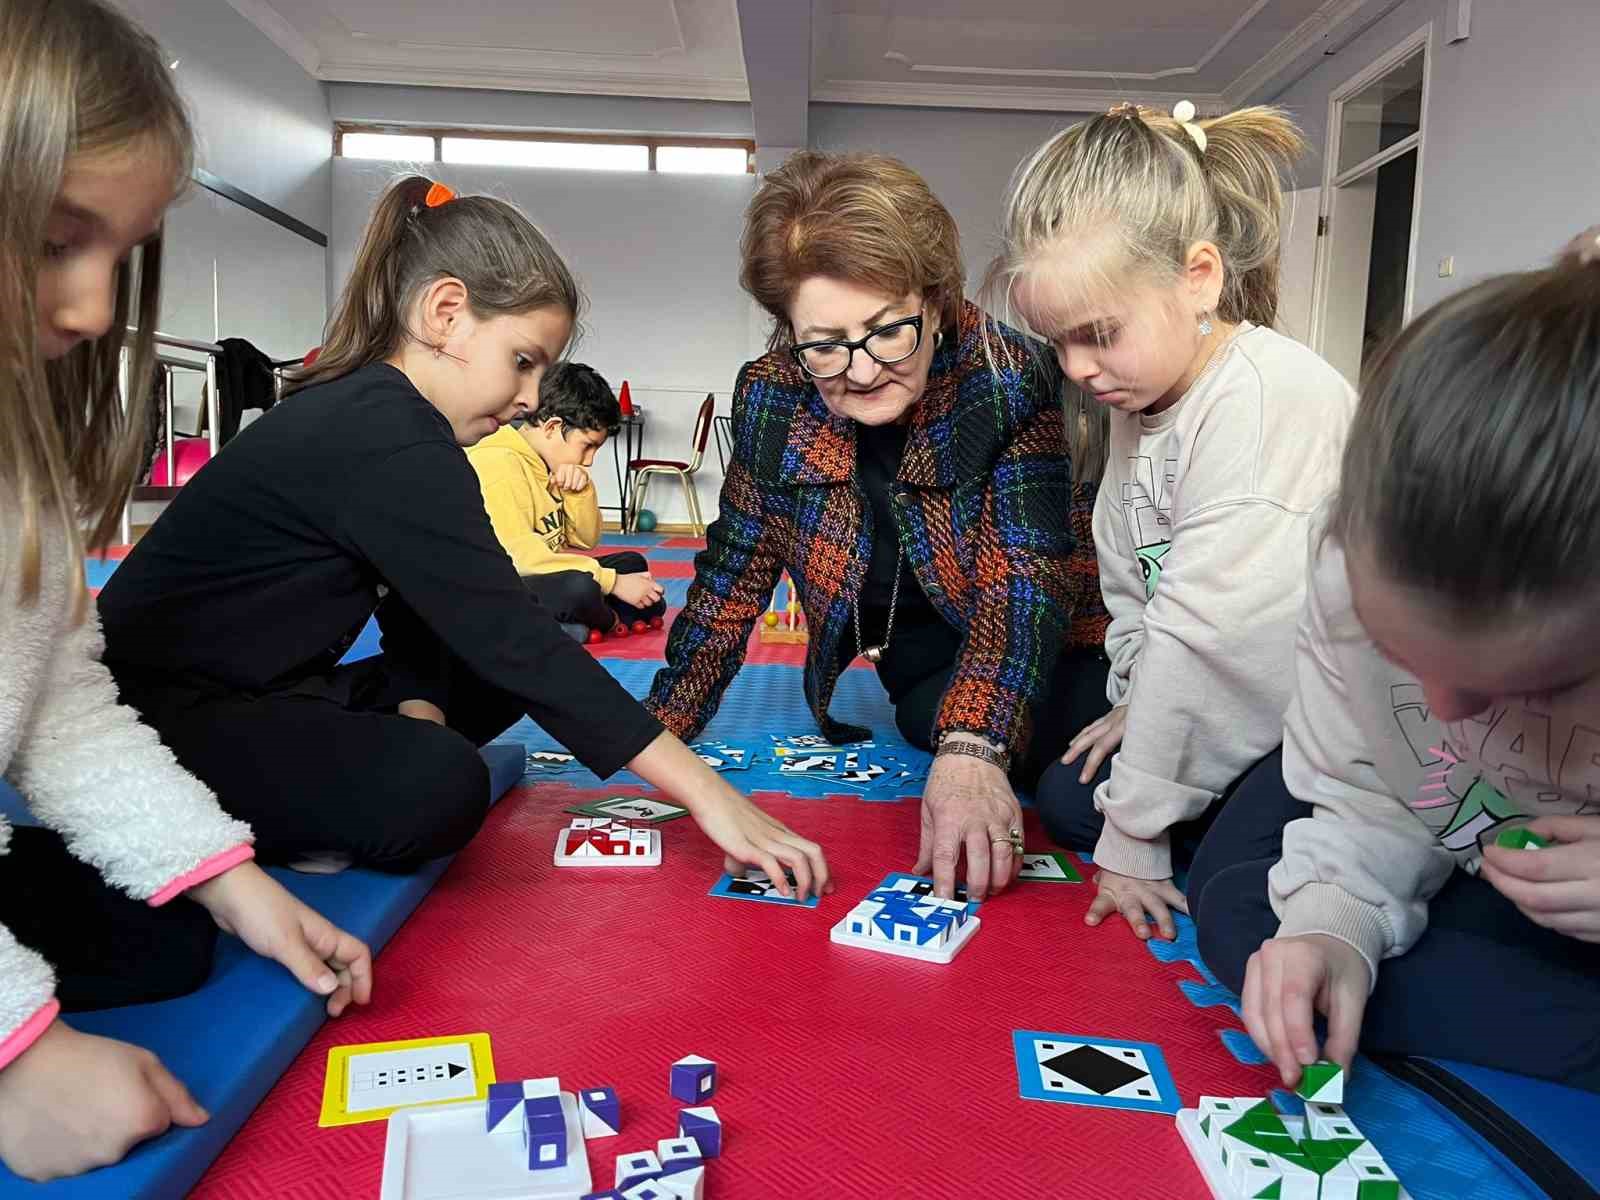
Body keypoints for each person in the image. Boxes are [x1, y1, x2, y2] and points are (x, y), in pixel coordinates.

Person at [96, 175, 829, 899]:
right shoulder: (385, 434)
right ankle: (235, 821)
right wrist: (709, 795)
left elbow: (429, 611)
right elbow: (507, 636)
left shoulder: (399, 425)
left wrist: (423, 705)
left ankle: (332, 782)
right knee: (444, 785)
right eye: (522, 361)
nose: (531, 398)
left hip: (272, 685)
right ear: (445, 313)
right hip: (158, 726)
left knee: (506, 646)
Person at [0, 0, 372, 1180]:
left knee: (163, 947)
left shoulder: (19, 464)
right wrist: (16, 1059)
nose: (98, 312)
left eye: (120, 251)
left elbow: (56, 704)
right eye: (58, 239)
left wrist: (232, 883)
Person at [1188, 239, 1600, 1094]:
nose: (1443, 714)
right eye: (1397, 654)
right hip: (1476, 856)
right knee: (1248, 914)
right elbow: (1382, 788)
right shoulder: (1345, 565)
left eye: (1531, 685)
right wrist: (1335, 926)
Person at [647, 151, 1110, 902]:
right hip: (920, 655)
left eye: (887, 331)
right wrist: (662, 726)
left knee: (1073, 787)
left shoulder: (1006, 376)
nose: (860, 372)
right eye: (824, 344)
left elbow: (1025, 581)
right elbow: (732, 572)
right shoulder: (773, 395)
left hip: (1054, 638)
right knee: (933, 718)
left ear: (935, 300)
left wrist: (975, 749)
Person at [993, 102, 1355, 940]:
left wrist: (1136, 831)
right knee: (1067, 793)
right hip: (1242, 695)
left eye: (1098, 335)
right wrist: (1136, 704)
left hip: (1338, 719)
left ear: (1198, 277)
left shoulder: (1270, 401)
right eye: (1059, 345)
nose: (1077, 370)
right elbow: (1134, 588)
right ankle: (1195, 797)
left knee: (1235, 908)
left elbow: (1217, 645)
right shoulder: (1146, 396)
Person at [468, 360, 666, 639]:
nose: (589, 461)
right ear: (552, 427)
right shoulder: (498, 462)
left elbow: (586, 541)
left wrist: (579, 493)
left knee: (632, 563)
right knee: (580, 589)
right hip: (496, 587)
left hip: (541, 577)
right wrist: (614, 583)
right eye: (587, 446)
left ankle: (570, 625)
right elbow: (519, 559)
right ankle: (609, 619)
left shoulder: (550, 461)